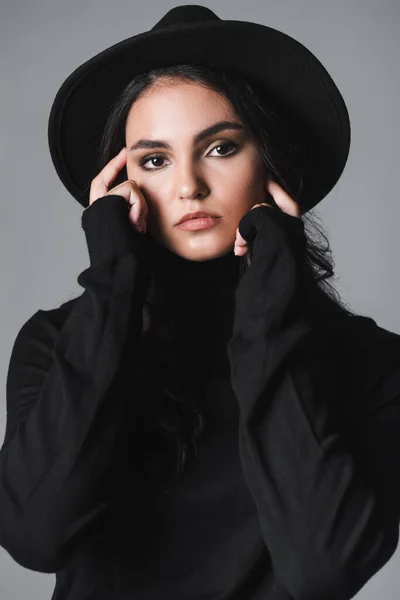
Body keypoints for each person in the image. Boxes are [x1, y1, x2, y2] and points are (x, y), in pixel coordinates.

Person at [1, 5, 399, 600]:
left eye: (219, 148)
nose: (188, 185)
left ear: (270, 161)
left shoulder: (370, 362)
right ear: (122, 185)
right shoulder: (59, 344)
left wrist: (270, 302)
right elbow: (36, 535)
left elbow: (324, 567)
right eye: (155, 160)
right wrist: (113, 276)